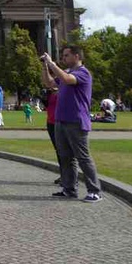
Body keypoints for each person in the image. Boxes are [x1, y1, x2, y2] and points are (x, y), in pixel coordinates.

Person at [42, 46, 103, 203]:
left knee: (83, 157)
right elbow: (49, 83)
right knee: (66, 157)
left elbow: (67, 80)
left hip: (76, 120)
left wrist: (52, 64)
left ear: (77, 56)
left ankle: (95, 191)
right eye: (63, 55)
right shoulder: (67, 72)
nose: (63, 58)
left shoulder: (83, 73)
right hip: (61, 120)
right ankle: (69, 189)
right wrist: (45, 66)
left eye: (66, 55)